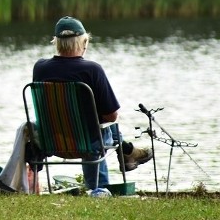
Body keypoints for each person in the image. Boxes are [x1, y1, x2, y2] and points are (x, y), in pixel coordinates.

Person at [32, 16, 153, 194]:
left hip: (51, 141)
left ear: (56, 42)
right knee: (106, 125)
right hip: (87, 143)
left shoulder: (40, 68)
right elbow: (111, 116)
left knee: (96, 125)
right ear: (84, 42)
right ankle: (102, 184)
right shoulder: (92, 70)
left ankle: (128, 153)